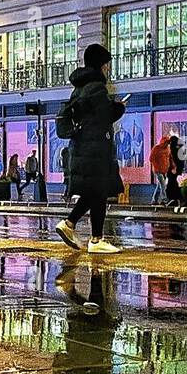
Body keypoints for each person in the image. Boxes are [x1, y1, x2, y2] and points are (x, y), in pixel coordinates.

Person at [54, 44, 126, 255]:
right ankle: (91, 236)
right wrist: (118, 108)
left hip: (82, 149)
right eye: (107, 65)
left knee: (96, 192)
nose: (108, 69)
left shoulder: (80, 88)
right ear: (101, 64)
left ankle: (77, 228)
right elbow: (103, 116)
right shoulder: (96, 87)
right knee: (99, 191)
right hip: (94, 150)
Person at [149, 136, 172, 205]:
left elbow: (169, 158)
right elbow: (151, 158)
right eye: (166, 142)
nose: (167, 144)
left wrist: (172, 166)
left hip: (164, 170)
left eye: (168, 143)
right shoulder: (156, 148)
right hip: (158, 170)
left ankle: (154, 200)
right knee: (163, 184)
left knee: (160, 185)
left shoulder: (168, 149)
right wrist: (156, 166)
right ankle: (164, 199)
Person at [165, 134, 185, 207]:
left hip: (172, 169)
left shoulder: (173, 148)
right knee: (173, 182)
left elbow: (171, 159)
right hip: (177, 169)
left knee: (171, 183)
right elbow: (181, 160)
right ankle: (177, 199)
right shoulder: (180, 148)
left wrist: (173, 168)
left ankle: (174, 198)